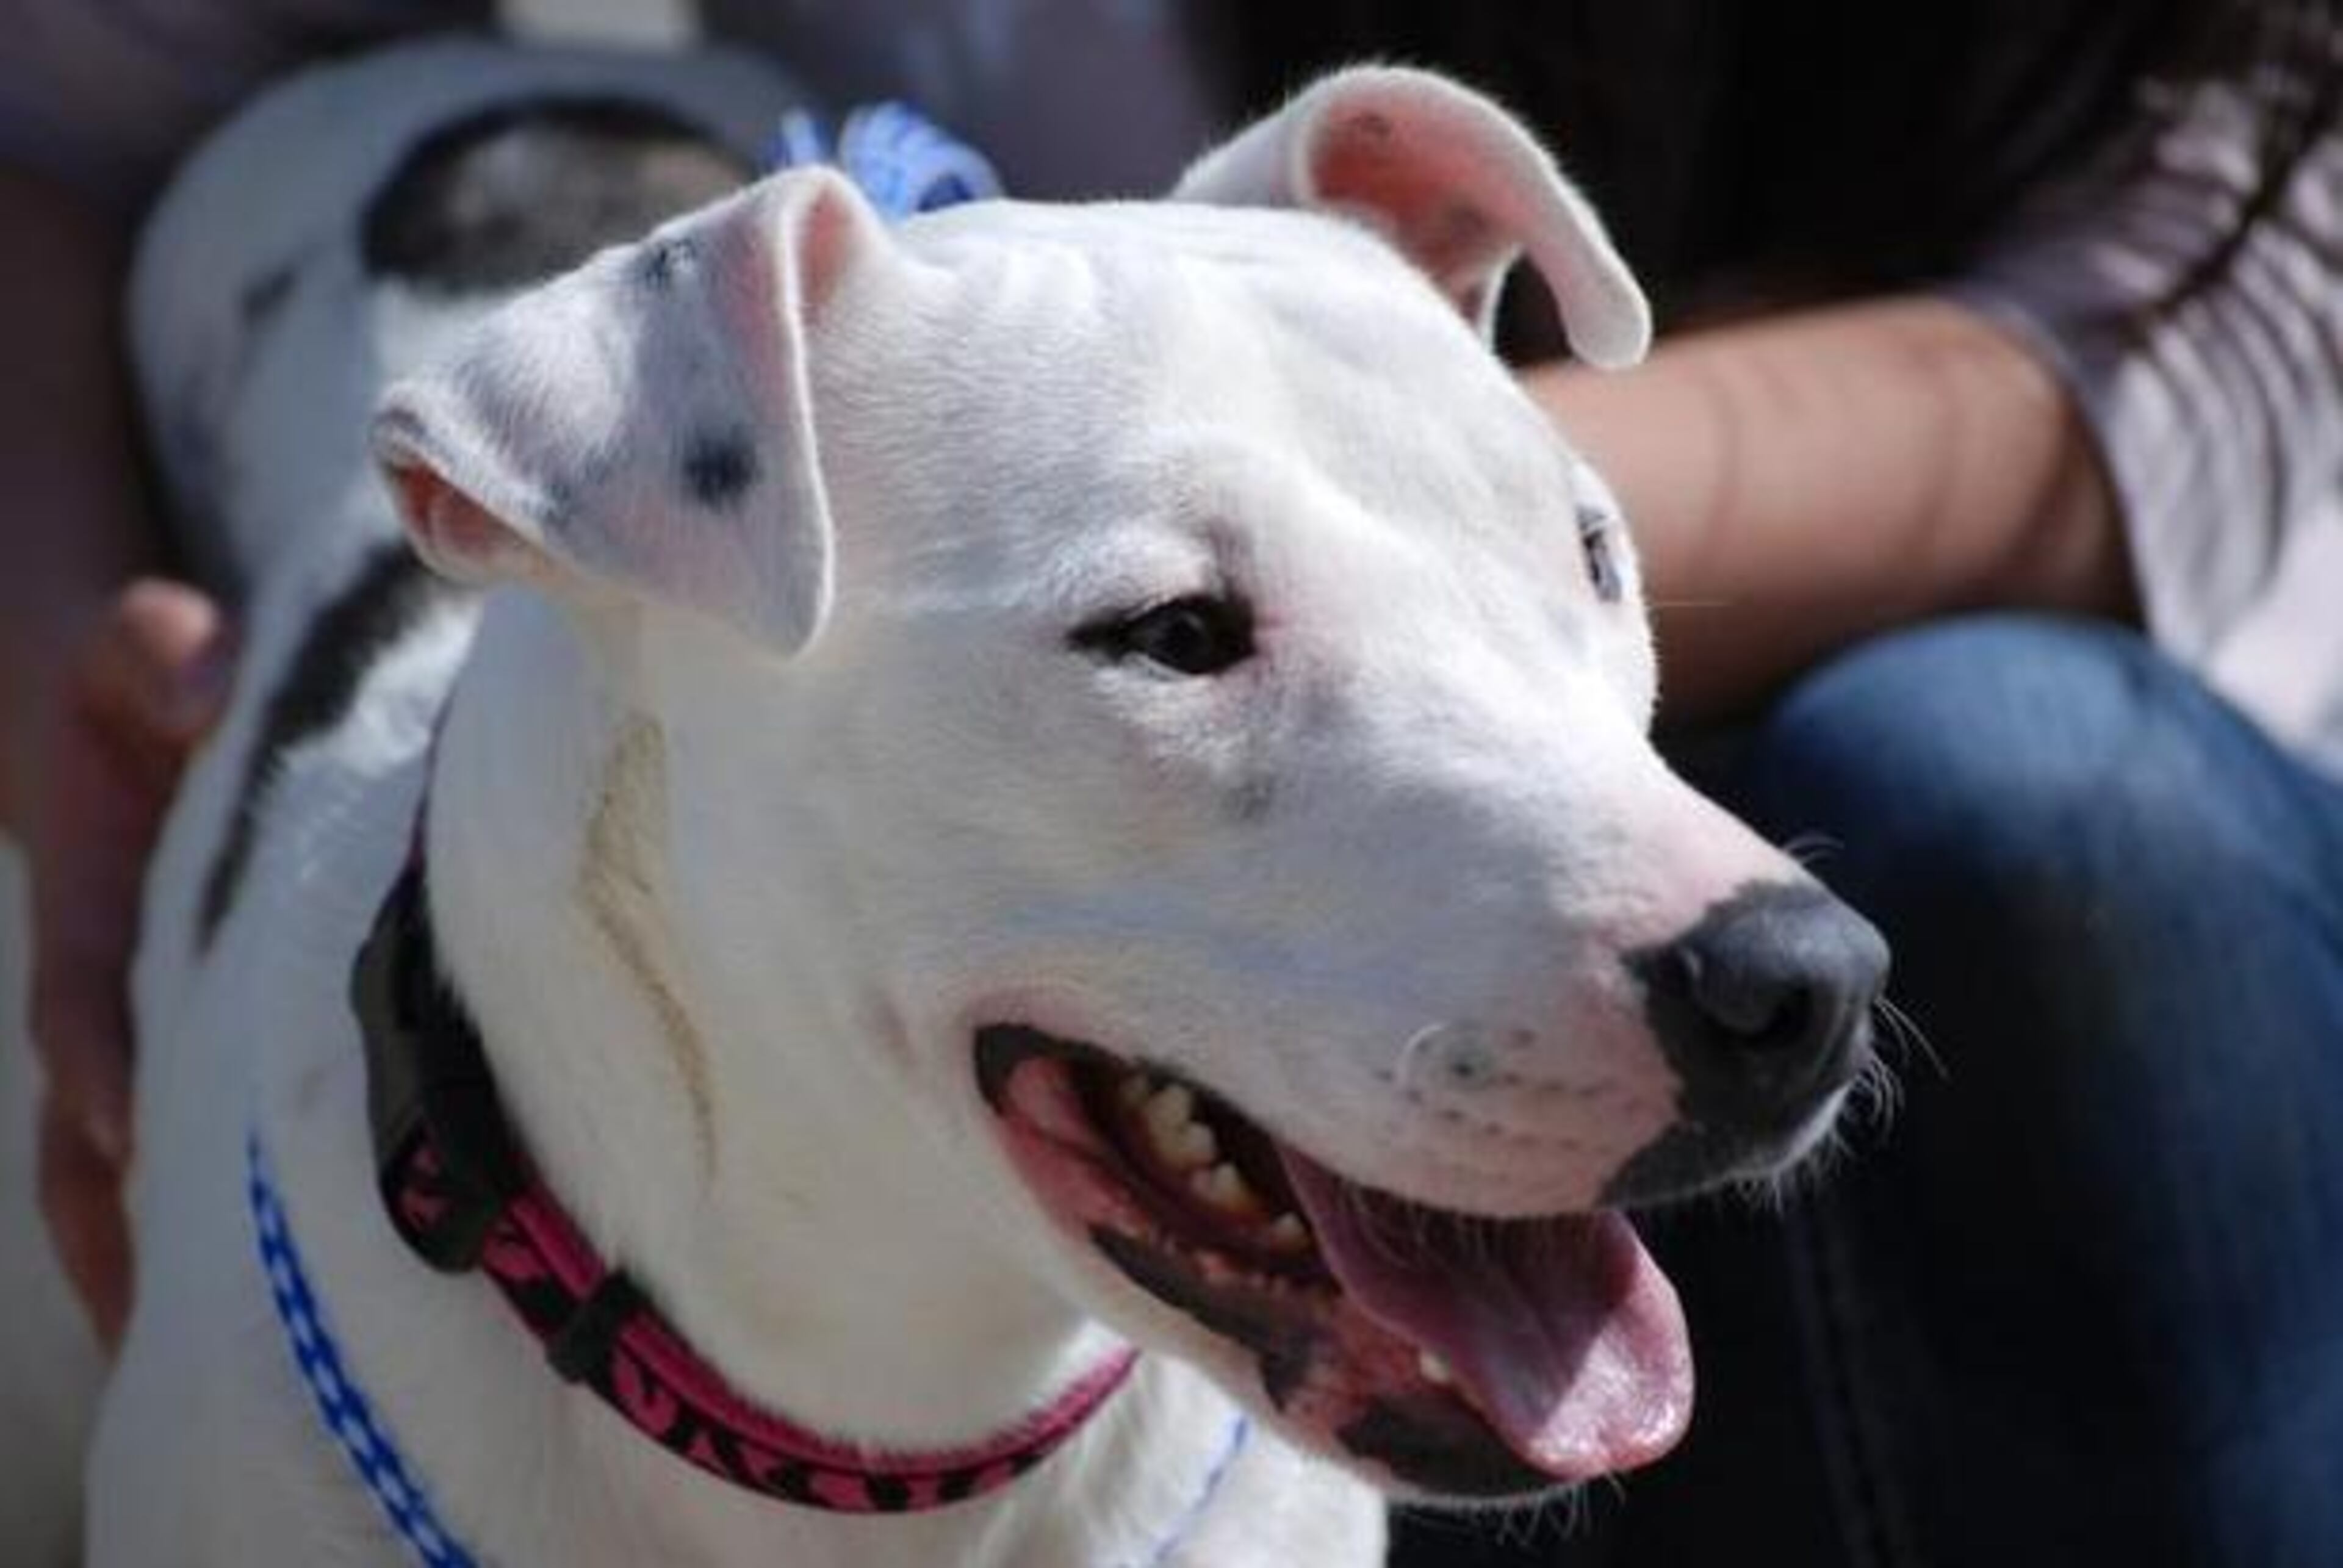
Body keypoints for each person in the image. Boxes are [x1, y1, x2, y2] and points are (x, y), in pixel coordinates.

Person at [3, 3, 2337, 1563]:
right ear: (619, 557)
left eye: (1577, 557)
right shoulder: (276, 1434)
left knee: (2053, 808)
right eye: (1180, 636)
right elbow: (74, 114)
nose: (1765, 943)